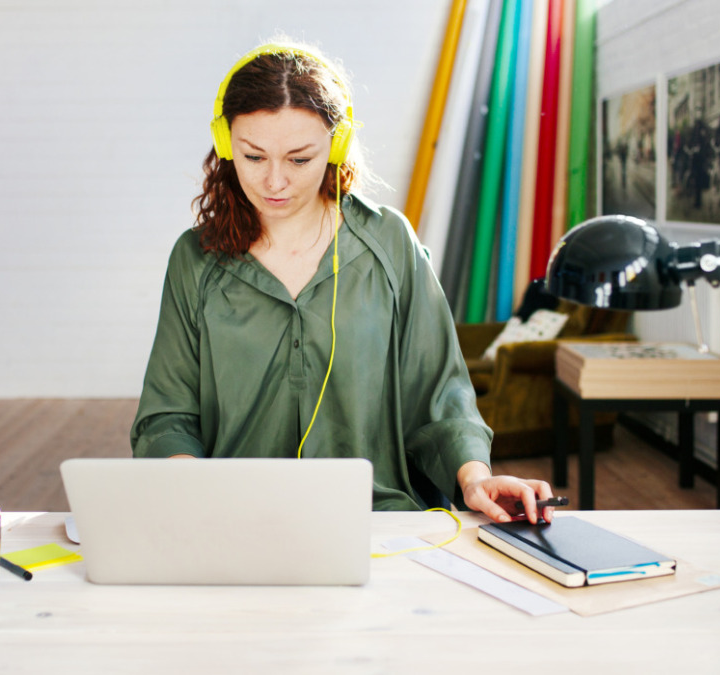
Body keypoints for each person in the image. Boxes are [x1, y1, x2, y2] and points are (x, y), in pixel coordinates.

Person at [130, 40, 554, 524]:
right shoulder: (195, 258)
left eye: (299, 159)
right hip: (234, 522)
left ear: (336, 145)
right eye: (253, 156)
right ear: (227, 145)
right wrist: (188, 485)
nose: (274, 182)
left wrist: (475, 477)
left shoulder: (390, 242)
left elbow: (440, 393)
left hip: (378, 523)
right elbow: (168, 415)